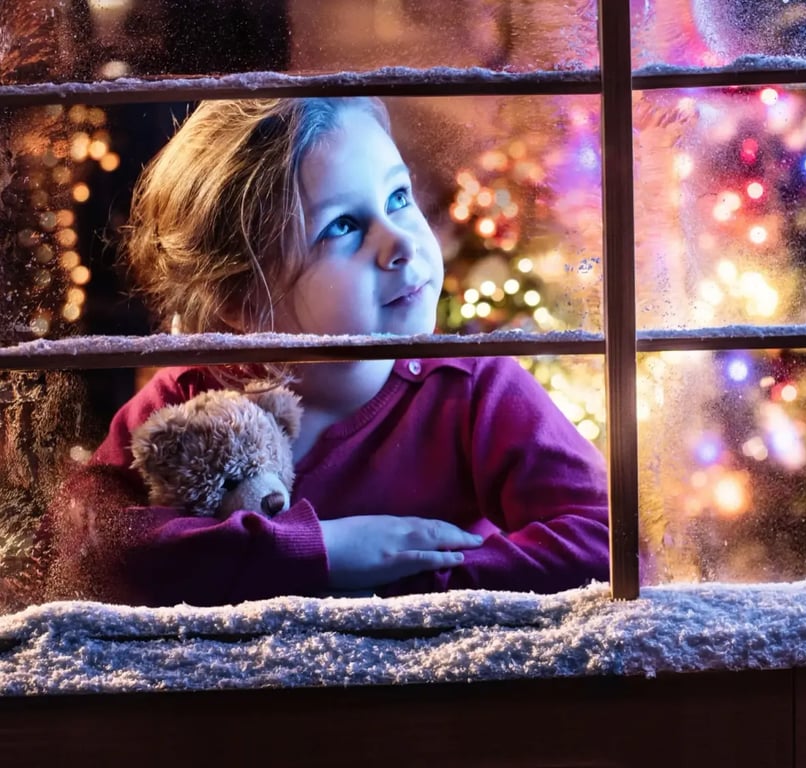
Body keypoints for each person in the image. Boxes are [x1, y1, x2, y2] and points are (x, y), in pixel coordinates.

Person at [42, 97, 609, 606]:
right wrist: (321, 552)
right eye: (342, 226)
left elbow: (608, 539)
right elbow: (87, 548)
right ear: (242, 300)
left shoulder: (474, 387)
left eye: (398, 196)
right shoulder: (191, 401)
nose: (403, 243)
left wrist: (401, 585)